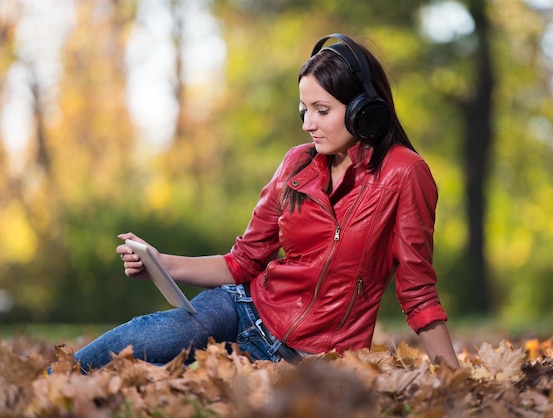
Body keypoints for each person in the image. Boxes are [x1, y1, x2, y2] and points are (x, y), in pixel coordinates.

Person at [72, 33, 460, 371]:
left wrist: (453, 383)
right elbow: (242, 261)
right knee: (174, 333)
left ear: (364, 111)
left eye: (322, 111)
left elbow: (418, 291)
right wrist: (162, 264)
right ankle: (56, 380)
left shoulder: (405, 174)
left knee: (180, 377)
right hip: (244, 310)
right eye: (304, 110)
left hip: (315, 360)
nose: (308, 124)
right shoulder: (297, 162)